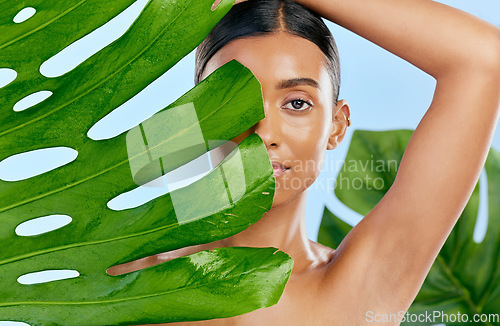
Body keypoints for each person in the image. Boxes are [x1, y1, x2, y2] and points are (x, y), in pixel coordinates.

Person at [111, 0, 500, 324]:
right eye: (234, 100)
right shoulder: (126, 278)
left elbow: (484, 59)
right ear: (196, 119)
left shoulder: (363, 284)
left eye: (297, 103)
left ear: (336, 126)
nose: (265, 132)